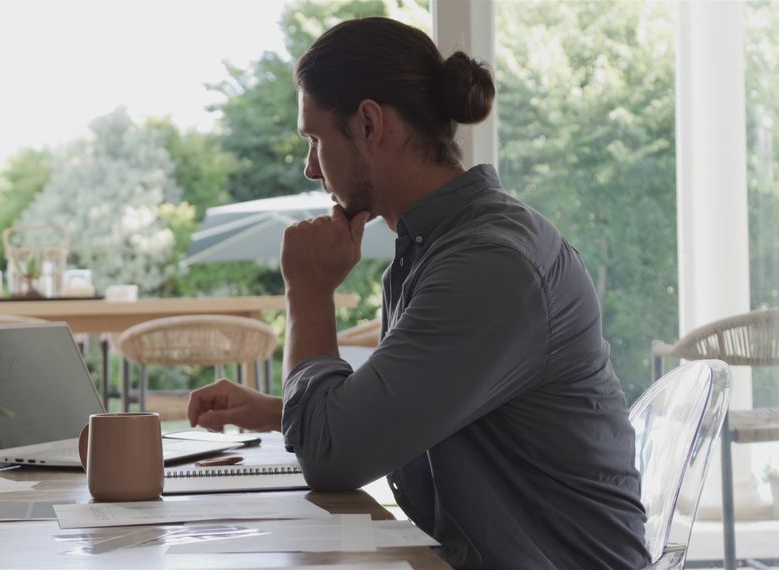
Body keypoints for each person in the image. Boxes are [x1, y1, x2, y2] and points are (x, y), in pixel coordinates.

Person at [187, 17, 651, 570]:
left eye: (315, 139)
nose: (311, 168)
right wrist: (281, 412)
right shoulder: (438, 248)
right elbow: (402, 413)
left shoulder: (489, 265)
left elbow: (333, 459)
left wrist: (307, 292)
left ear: (367, 123)